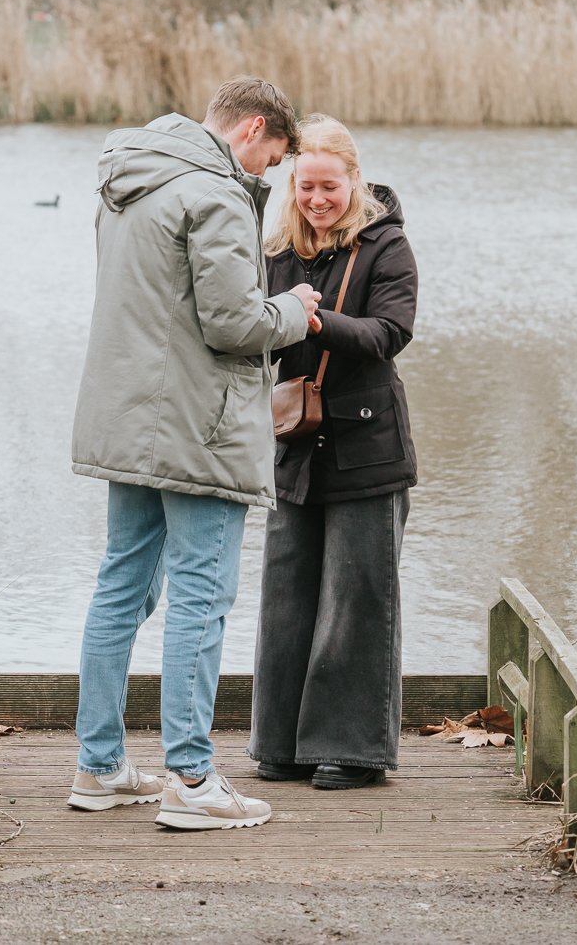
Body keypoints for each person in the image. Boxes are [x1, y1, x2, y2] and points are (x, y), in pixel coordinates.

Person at [69, 77, 321, 830]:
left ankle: (100, 764)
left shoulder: (129, 178)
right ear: (250, 130)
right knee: (201, 598)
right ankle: (191, 778)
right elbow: (231, 322)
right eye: (270, 160)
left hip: (129, 416)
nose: (265, 176)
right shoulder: (213, 193)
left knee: (122, 586)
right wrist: (295, 311)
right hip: (197, 425)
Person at [248, 114, 419, 791]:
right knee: (287, 595)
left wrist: (312, 318)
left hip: (368, 449)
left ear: (354, 180)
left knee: (357, 597)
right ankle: (281, 746)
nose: (317, 199)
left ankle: (351, 752)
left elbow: (388, 334)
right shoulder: (276, 248)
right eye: (306, 187)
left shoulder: (387, 248)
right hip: (294, 446)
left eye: (329, 186)